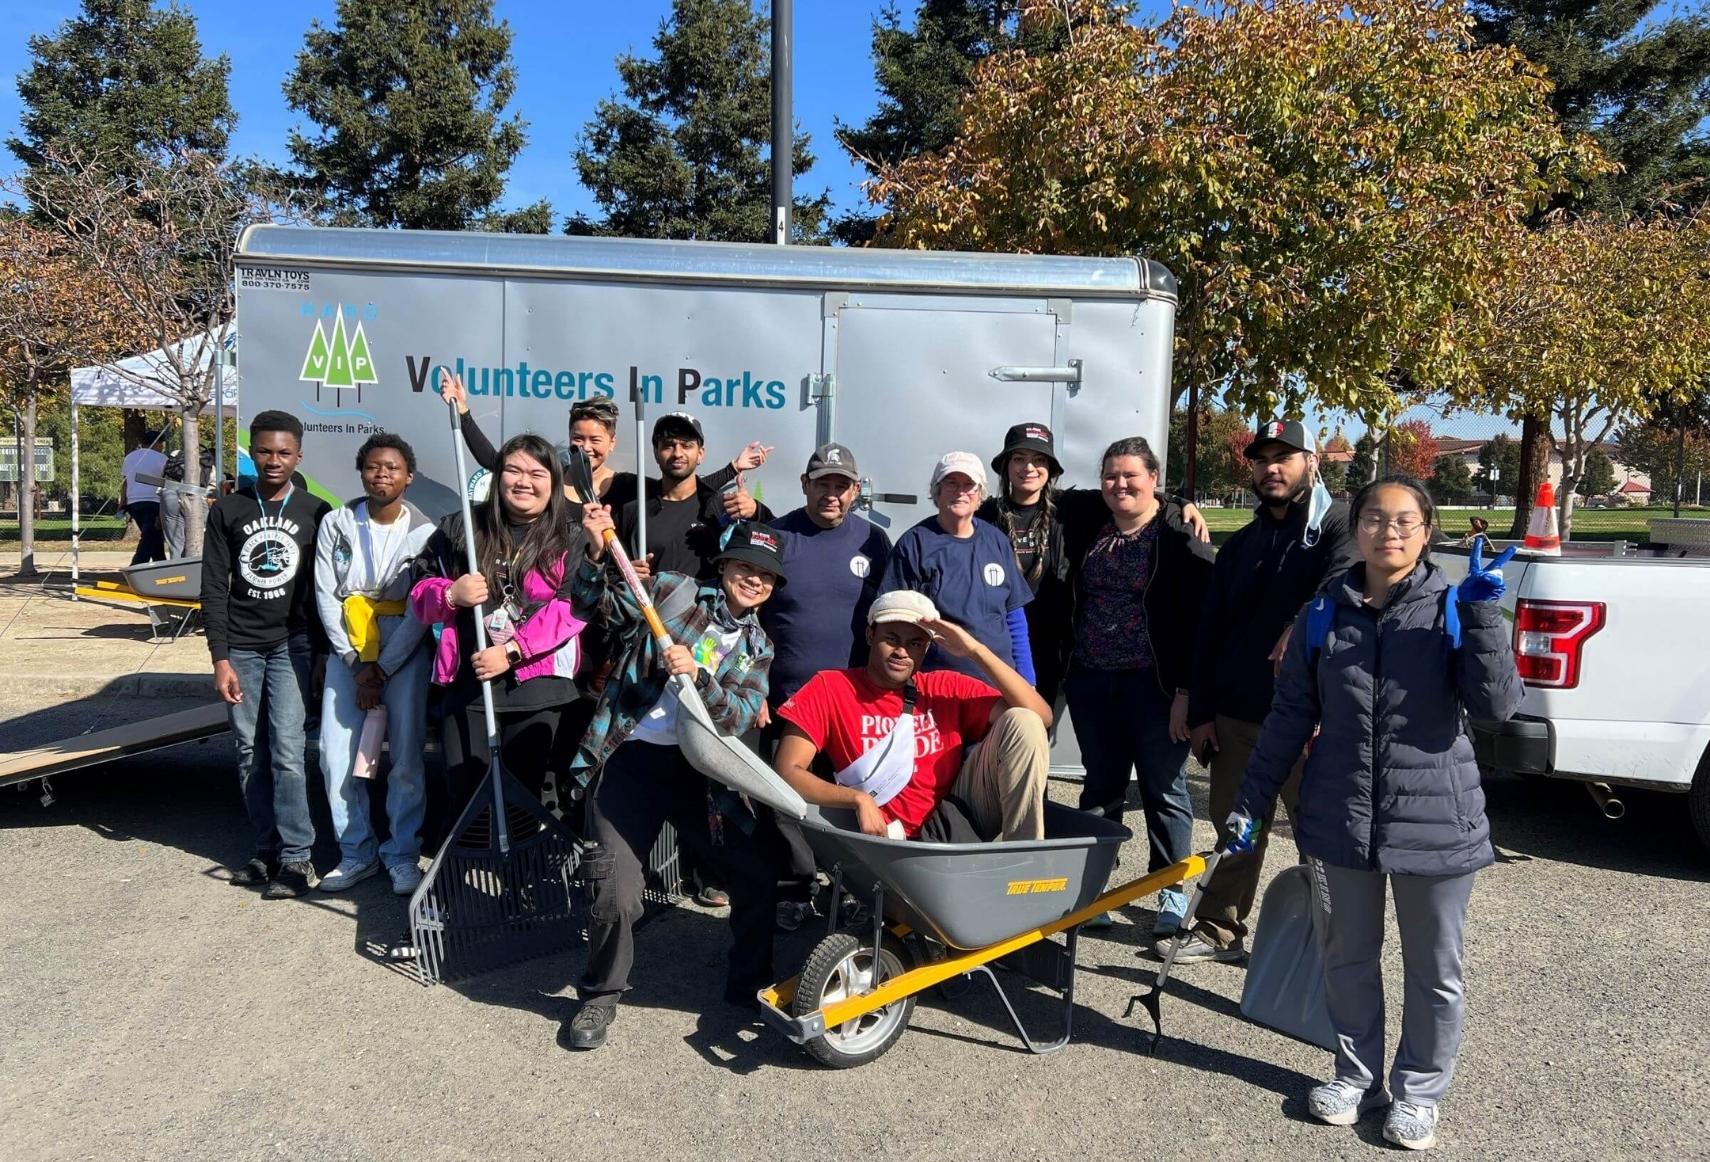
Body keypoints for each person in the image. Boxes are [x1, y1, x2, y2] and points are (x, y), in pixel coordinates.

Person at [1230, 475, 1520, 1151]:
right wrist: (1250, 801)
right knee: (1347, 957)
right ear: (1355, 527)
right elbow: (1289, 718)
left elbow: (1496, 709)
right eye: (1374, 519)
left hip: (1437, 822)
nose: (1388, 532)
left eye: (1404, 522)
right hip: (1339, 818)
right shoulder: (1323, 613)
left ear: (1426, 533)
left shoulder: (1454, 607)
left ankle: (1418, 1091)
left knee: (1434, 970)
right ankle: (1356, 1075)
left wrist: (1482, 619)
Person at [563, 517, 784, 1051]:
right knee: (616, 896)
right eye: (745, 567)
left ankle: (748, 984)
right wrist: (596, 554)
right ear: (725, 565)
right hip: (630, 760)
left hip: (700, 774)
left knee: (755, 875)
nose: (753, 580)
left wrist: (700, 677)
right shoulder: (670, 592)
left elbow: (736, 716)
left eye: (765, 575)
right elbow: (591, 607)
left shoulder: (759, 649)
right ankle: (599, 992)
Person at [1176, 419, 1359, 962]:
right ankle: (1219, 928)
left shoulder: (1336, 523)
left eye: (1285, 457)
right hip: (1238, 714)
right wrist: (1202, 711)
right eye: (1262, 460)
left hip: (1311, 717)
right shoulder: (1242, 546)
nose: (1272, 468)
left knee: (1320, 834)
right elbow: (1209, 632)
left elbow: (1345, 580)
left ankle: (1331, 944)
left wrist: (1301, 621)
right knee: (1235, 825)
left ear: (1311, 462)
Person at [1058, 436, 1213, 935]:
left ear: (1153, 481)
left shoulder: (1178, 539)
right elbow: (1043, 494)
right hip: (1092, 682)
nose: (1120, 483)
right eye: (1111, 474)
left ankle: (1167, 891)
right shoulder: (1088, 527)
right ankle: (1093, 890)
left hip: (1157, 689)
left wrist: (1186, 693)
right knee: (1099, 788)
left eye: (1131, 475)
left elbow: (1198, 625)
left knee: (1164, 789)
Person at [774, 590, 1052, 844]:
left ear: (927, 648)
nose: (902, 652)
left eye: (915, 644)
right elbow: (787, 771)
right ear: (871, 635)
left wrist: (975, 651)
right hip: (885, 837)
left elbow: (1041, 716)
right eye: (891, 639)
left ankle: (1023, 853)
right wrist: (857, 799)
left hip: (954, 821)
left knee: (1023, 721)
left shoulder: (945, 687)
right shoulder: (831, 687)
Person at [409, 433, 590, 821]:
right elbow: (419, 593)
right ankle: (465, 869)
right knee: (466, 791)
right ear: (497, 476)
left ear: (554, 482)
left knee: (522, 796)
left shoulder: (569, 536)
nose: (524, 481)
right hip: (470, 681)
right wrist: (451, 594)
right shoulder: (460, 528)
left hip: (538, 685)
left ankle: (516, 877)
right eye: (513, 470)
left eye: (537, 473)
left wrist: (512, 652)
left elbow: (572, 609)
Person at [201, 411, 331, 899]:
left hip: (292, 645)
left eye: (283, 453)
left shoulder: (317, 511)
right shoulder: (228, 510)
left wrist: (319, 655)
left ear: (299, 456)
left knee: (288, 752)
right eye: (264, 452)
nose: (273, 461)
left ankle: (298, 858)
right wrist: (220, 658)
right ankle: (266, 850)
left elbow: (321, 593)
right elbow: (213, 588)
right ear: (251, 452)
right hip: (241, 647)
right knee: (249, 751)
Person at [313, 433, 438, 896]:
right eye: (373, 466)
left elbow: (420, 609)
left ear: (409, 475)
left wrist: (383, 667)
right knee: (335, 755)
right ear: (361, 470)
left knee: (405, 758)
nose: (381, 475)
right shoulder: (337, 523)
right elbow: (326, 594)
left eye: (392, 468)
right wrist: (352, 659)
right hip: (347, 644)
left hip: (402, 648)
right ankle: (356, 852)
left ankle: (403, 854)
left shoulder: (426, 533)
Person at [437, 373, 768, 513]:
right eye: (578, 438)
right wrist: (463, 412)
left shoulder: (626, 486)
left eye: (595, 439)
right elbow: (495, 462)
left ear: (612, 443)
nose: (586, 446)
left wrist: (733, 468)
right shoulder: (551, 475)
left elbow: (681, 493)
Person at [880, 452, 1035, 685]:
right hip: (937, 685)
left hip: (998, 681)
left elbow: (1014, 616)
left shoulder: (996, 541)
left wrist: (1026, 678)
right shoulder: (915, 543)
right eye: (951, 483)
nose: (961, 492)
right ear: (937, 490)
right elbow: (894, 620)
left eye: (969, 485)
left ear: (980, 494)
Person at [978, 423, 1073, 711]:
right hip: (997, 647)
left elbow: (1127, 495)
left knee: (1033, 735)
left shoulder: (1069, 509)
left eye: (1039, 459)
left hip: (1049, 650)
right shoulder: (984, 515)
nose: (1028, 467)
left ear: (1050, 468)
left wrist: (1178, 504)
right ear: (1006, 466)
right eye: (1019, 458)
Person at [120, 433, 168, 565]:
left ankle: (161, 563)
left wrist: (122, 502)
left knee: (153, 535)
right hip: (154, 501)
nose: (162, 447)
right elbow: (167, 480)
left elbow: (125, 482)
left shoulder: (129, 457)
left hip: (134, 501)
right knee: (149, 536)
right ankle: (137, 564)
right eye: (162, 444)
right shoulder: (162, 458)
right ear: (157, 443)